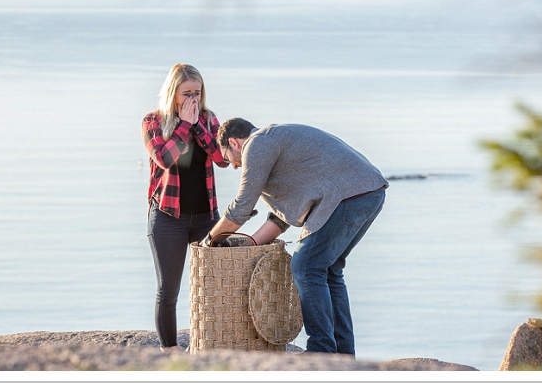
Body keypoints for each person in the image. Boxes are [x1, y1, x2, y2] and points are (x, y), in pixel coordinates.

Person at [203, 118, 388, 356]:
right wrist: (250, 243)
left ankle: (321, 350)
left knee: (305, 266)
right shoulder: (275, 142)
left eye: (229, 159)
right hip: (369, 192)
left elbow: (241, 207)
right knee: (329, 269)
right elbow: (281, 219)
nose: (235, 167)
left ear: (234, 143)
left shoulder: (257, 144)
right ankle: (343, 354)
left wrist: (210, 239)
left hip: (350, 196)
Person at [141, 63, 228, 352]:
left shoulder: (209, 119)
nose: (192, 98)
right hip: (168, 218)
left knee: (214, 288)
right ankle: (170, 353)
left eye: (197, 92)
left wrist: (198, 126)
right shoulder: (153, 121)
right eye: (186, 93)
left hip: (206, 218)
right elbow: (164, 159)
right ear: (173, 93)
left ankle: (209, 345)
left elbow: (222, 158)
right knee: (168, 291)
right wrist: (183, 126)